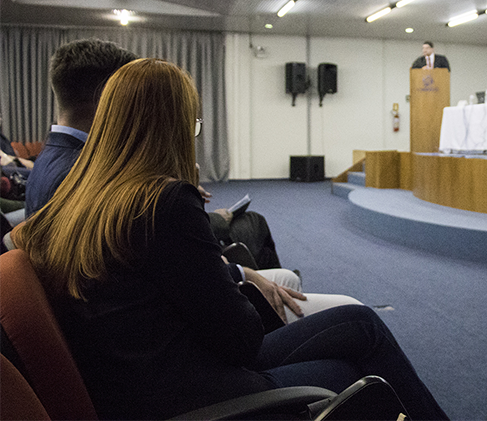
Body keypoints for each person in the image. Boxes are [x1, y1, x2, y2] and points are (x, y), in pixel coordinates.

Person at [13, 58, 448, 420]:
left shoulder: (77, 198)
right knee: (351, 352)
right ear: (174, 126)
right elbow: (239, 339)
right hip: (187, 392)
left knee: (358, 321)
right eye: (193, 124)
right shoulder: (163, 202)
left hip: (132, 380)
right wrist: (239, 286)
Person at [24, 39, 358, 322]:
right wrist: (179, 196)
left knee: (285, 280)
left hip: (146, 331)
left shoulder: (65, 164)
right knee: (354, 315)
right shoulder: (76, 173)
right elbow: (230, 329)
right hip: (172, 354)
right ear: (111, 99)